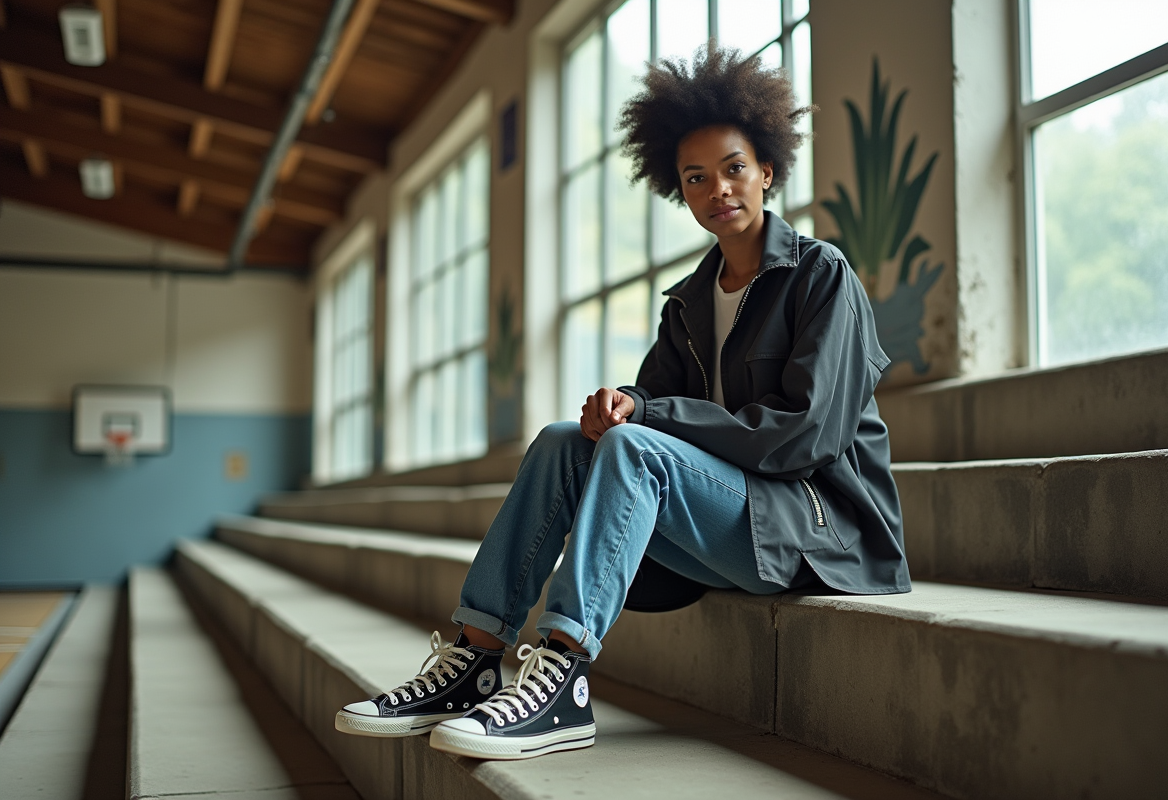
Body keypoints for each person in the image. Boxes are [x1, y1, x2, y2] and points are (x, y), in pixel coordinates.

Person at [334, 45, 909, 761]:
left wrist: (646, 416)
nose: (718, 189)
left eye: (733, 169)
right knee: (558, 440)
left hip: (819, 526)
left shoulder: (820, 275)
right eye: (696, 178)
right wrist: (620, 403)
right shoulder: (690, 302)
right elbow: (653, 399)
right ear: (680, 191)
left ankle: (565, 677)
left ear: (766, 170)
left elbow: (804, 439)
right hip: (735, 522)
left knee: (638, 445)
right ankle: (475, 661)